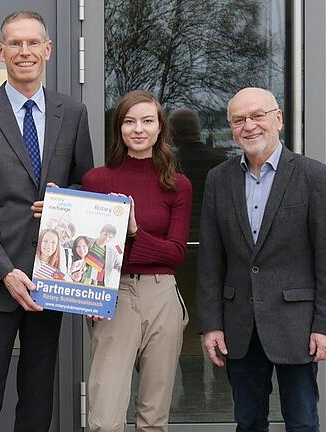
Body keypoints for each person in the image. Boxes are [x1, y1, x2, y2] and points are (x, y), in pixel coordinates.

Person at [0, 9, 93, 432]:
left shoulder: (73, 112)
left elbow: (84, 187)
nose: (24, 51)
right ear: (1, 51)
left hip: (51, 277)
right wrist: (5, 272)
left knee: (37, 395)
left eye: (33, 43)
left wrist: (65, 207)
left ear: (47, 50)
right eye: (15, 43)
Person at [197, 87, 326, 432]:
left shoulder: (315, 177)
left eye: (257, 116)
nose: (249, 126)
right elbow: (210, 259)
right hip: (240, 325)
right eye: (238, 120)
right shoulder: (219, 180)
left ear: (278, 119)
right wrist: (211, 324)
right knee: (248, 421)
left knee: (302, 422)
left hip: (298, 325)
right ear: (231, 128)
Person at [81, 90, 193, 431]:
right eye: (129, 122)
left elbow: (174, 254)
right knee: (105, 414)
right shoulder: (96, 181)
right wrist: (89, 292)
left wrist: (133, 231)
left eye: (147, 121)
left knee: (154, 413)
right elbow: (89, 251)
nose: (138, 129)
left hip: (163, 295)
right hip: (114, 295)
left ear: (160, 128)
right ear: (119, 129)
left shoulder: (178, 185)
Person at [169, 108, 226, 242]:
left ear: (173, 134)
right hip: (213, 235)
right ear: (198, 131)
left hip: (181, 236)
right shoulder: (220, 161)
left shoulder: (170, 165)